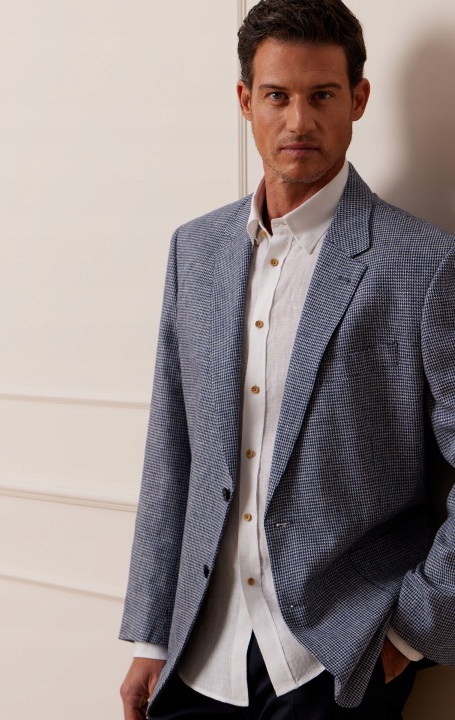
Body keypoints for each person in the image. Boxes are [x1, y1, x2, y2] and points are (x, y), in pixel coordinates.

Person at [119, 1, 455, 717]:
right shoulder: (195, 250)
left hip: (338, 663)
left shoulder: (424, 264)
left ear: (358, 99)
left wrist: (411, 631)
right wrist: (151, 635)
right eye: (277, 96)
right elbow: (171, 450)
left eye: (322, 95)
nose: (299, 121)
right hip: (199, 655)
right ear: (246, 101)